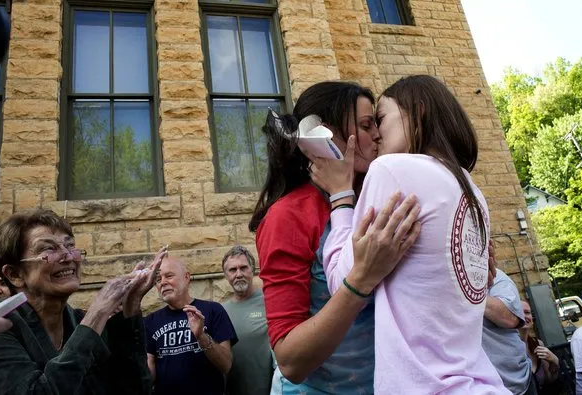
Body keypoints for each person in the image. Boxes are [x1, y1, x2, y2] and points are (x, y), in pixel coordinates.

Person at [308, 75, 507, 394]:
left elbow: (341, 280)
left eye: (381, 119)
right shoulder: (472, 190)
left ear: (418, 113)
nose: (375, 136)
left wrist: (341, 194)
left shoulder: (392, 169)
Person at [250, 81, 422, 393]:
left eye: (378, 124)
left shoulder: (377, 195)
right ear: (323, 137)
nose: (378, 136)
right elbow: (289, 360)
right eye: (367, 125)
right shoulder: (288, 217)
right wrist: (360, 281)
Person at [0, 208, 162, 394]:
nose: (68, 256)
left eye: (70, 246)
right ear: (15, 274)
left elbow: (135, 389)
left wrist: (130, 307)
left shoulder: (82, 321)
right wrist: (96, 315)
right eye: (49, 249)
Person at [145, 255, 238, 395]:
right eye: (158, 279)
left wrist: (201, 336)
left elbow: (226, 365)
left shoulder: (213, 310)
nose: (163, 282)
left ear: (186, 277)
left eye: (169, 276)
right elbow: (148, 375)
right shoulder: (150, 321)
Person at [221, 245, 274, 395]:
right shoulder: (221, 311)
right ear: (226, 275)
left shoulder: (269, 302)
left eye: (243, 268)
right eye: (232, 270)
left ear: (253, 270)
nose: (238, 274)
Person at [481, 268, 534, 394]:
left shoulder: (495, 276)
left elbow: (509, 318)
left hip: (516, 382)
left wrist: (464, 289)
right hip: (477, 385)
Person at [519, 300, 561, 393]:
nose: (524, 316)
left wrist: (554, 362)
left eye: (527, 312)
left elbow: (549, 380)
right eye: (518, 311)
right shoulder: (506, 347)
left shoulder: (537, 344)